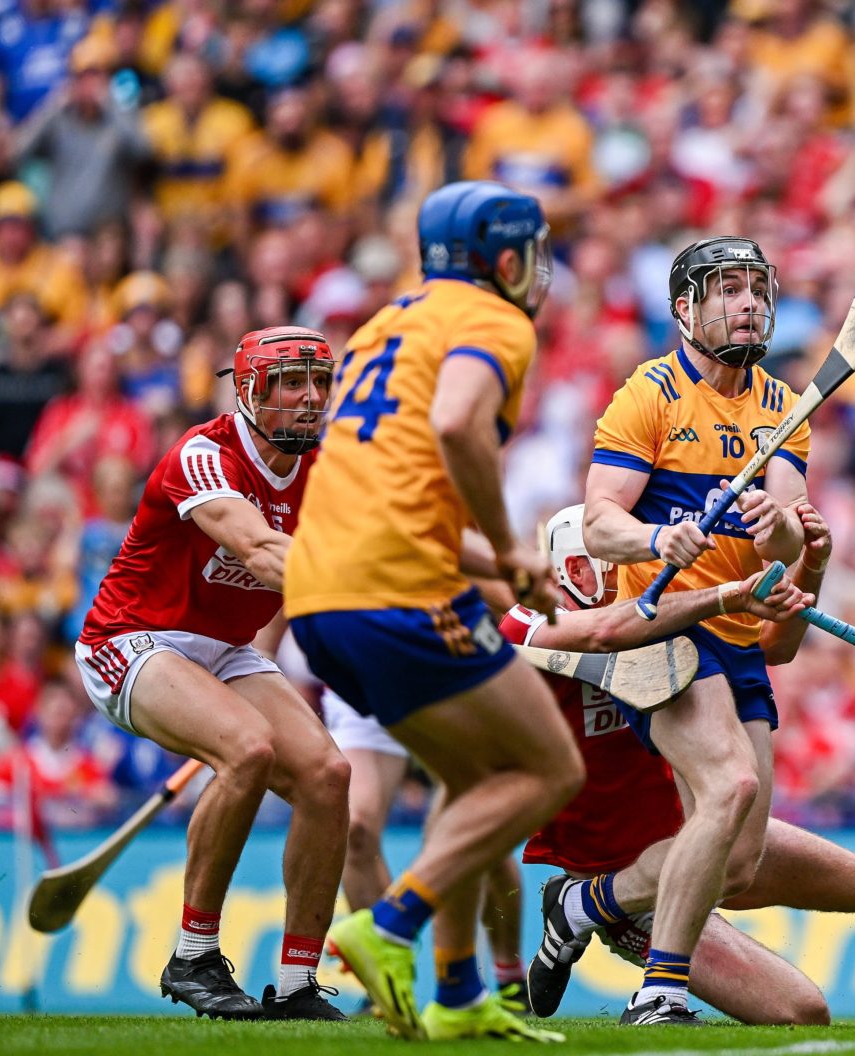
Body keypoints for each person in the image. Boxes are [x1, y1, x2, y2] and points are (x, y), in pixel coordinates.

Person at [285, 180, 576, 1043]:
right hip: (401, 590)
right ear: (510, 259)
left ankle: (457, 993)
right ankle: (390, 924)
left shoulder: (385, 324)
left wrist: (504, 565)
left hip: (322, 595)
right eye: (536, 252)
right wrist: (510, 546)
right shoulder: (495, 322)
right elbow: (456, 427)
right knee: (548, 772)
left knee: (478, 777)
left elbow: (395, 494)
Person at [572, 235, 824, 1026]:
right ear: (685, 309)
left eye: (756, 288)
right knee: (731, 785)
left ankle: (585, 907)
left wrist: (780, 526)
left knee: (741, 862)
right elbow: (597, 520)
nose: (748, 302)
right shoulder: (648, 394)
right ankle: (659, 991)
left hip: (739, 628)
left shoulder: (784, 409)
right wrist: (654, 540)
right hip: (661, 625)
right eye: (727, 290)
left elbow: (785, 540)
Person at [503, 503, 855, 1023]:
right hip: (613, 855)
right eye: (617, 561)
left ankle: (585, 905)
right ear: (577, 568)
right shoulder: (526, 622)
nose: (634, 572)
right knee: (803, 1012)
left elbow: (772, 648)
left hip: (693, 826)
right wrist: (723, 596)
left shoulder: (666, 609)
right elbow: (602, 633)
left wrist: (809, 568)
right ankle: (614, 908)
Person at [72, 326, 347, 1020]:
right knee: (247, 747)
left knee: (326, 775)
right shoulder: (204, 455)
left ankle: (295, 984)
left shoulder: (329, 472)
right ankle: (193, 957)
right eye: (291, 382)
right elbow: (259, 549)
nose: (310, 398)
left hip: (226, 648)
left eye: (318, 382)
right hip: (132, 638)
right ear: (251, 392)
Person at [317, 687, 532, 1012]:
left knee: (479, 830)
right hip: (365, 690)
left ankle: (509, 974)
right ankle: (385, 978)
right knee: (356, 829)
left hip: (439, 681)